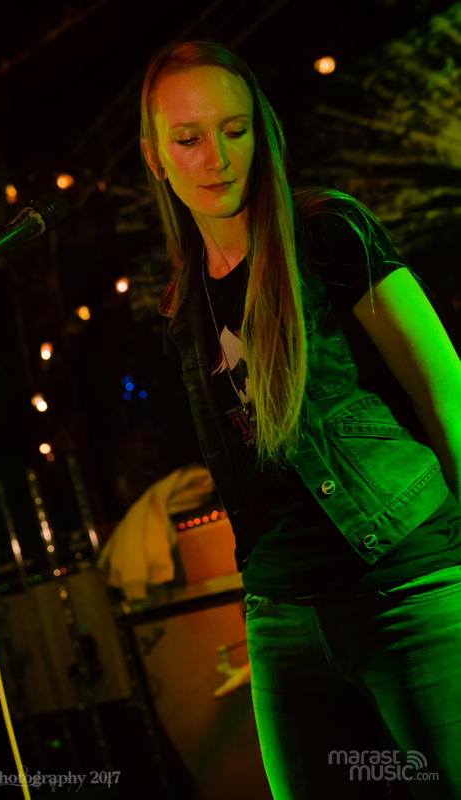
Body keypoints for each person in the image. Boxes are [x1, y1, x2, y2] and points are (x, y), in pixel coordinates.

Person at [139, 40, 461, 799]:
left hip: (407, 581)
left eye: (235, 129)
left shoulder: (326, 231)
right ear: (156, 158)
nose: (218, 157)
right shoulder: (183, 306)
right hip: (280, 613)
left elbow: (444, 388)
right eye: (188, 139)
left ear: (262, 130)